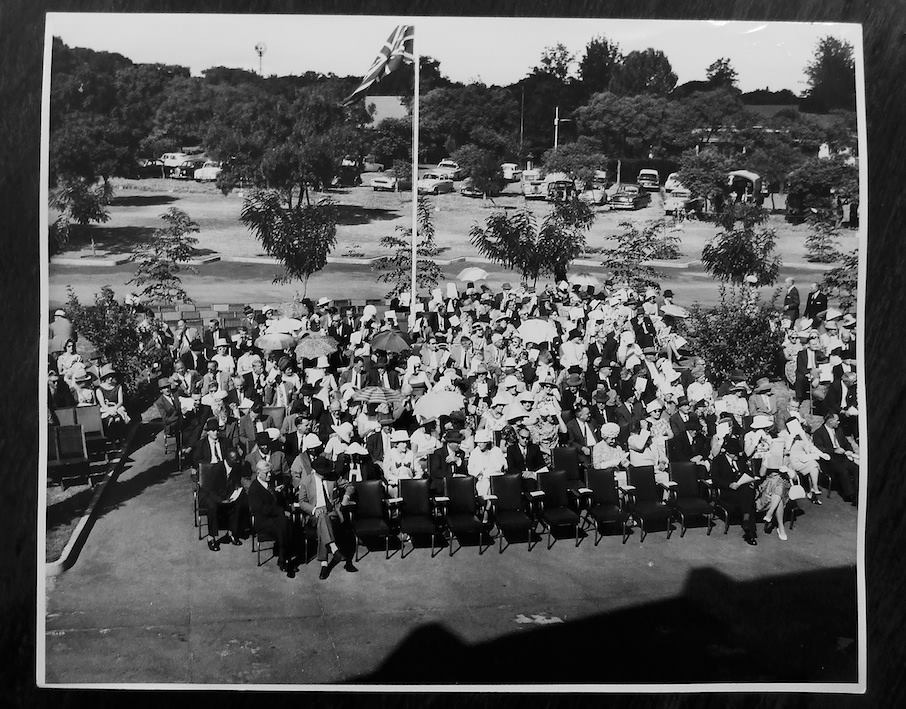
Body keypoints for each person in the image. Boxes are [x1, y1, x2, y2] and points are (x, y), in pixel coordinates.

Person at [298, 456, 357, 580]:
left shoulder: (333, 477)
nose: (326, 474)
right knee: (322, 518)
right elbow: (302, 502)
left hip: (333, 513)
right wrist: (314, 510)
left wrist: (346, 497)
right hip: (315, 515)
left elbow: (350, 486)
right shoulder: (306, 481)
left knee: (324, 519)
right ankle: (333, 551)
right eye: (323, 473)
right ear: (317, 471)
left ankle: (325, 563)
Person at [247, 460, 295, 577]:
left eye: (270, 472)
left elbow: (274, 500)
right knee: (284, 524)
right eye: (266, 473)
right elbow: (262, 509)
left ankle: (284, 557)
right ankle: (284, 559)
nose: (269, 475)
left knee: (284, 523)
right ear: (259, 473)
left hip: (275, 517)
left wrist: (277, 493)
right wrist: (282, 512)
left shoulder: (270, 482)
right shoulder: (254, 488)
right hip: (262, 521)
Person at [710, 437, 758, 546]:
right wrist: (729, 485)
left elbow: (748, 473)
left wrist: (748, 479)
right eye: (734, 454)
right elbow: (715, 479)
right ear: (727, 452)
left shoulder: (740, 460)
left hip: (741, 488)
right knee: (748, 498)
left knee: (747, 491)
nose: (736, 456)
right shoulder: (718, 460)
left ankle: (748, 527)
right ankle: (749, 526)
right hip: (727, 491)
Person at [197, 445, 246, 551]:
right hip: (211, 495)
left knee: (238, 503)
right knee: (212, 506)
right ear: (227, 459)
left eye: (237, 459)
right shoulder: (216, 469)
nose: (237, 462)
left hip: (227, 494)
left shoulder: (236, 466)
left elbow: (236, 481)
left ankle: (232, 533)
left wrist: (236, 489)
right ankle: (211, 537)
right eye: (234, 460)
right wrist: (221, 500)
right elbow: (209, 489)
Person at [812, 412, 859, 504]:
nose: (839, 422)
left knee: (855, 468)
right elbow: (819, 448)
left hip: (842, 456)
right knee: (843, 471)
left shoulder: (839, 430)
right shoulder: (819, 433)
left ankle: (858, 492)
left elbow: (846, 443)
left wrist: (849, 450)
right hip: (828, 459)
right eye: (837, 420)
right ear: (830, 421)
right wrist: (834, 450)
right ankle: (851, 495)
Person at [468, 428, 507, 498]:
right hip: (481, 480)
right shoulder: (474, 452)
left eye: (480, 442)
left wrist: (487, 473)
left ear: (487, 442)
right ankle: (487, 505)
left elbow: (502, 466)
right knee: (484, 485)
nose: (478, 444)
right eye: (477, 443)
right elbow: (470, 469)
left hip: (497, 479)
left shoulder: (496, 451)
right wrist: (480, 473)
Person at [427, 429, 467, 495]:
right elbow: (435, 472)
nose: (459, 445)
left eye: (460, 442)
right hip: (442, 482)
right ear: (449, 443)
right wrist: (452, 475)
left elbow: (463, 471)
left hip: (458, 482)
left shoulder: (461, 453)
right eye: (457, 443)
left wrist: (458, 460)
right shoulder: (438, 453)